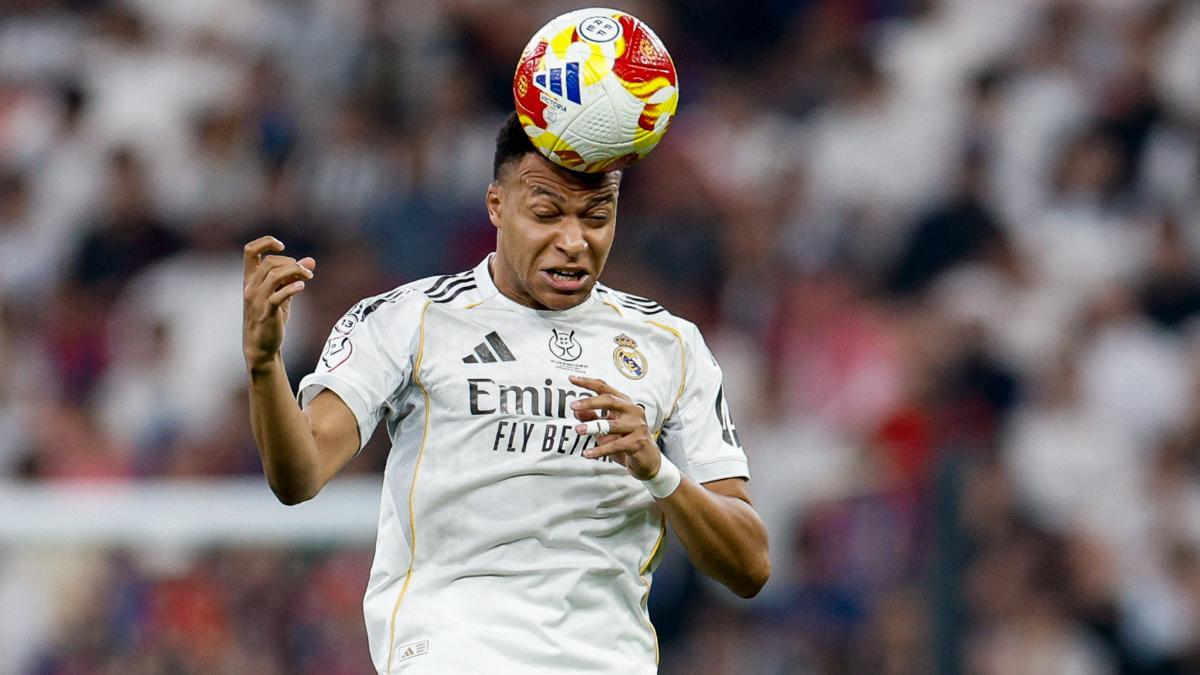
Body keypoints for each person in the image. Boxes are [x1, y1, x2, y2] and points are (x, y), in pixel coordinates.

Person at [241, 112, 770, 674]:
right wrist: (264, 364)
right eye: (547, 215)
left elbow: (749, 564)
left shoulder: (670, 344)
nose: (574, 241)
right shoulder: (407, 320)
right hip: (452, 653)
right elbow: (298, 478)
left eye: (597, 218)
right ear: (497, 205)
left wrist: (658, 469)